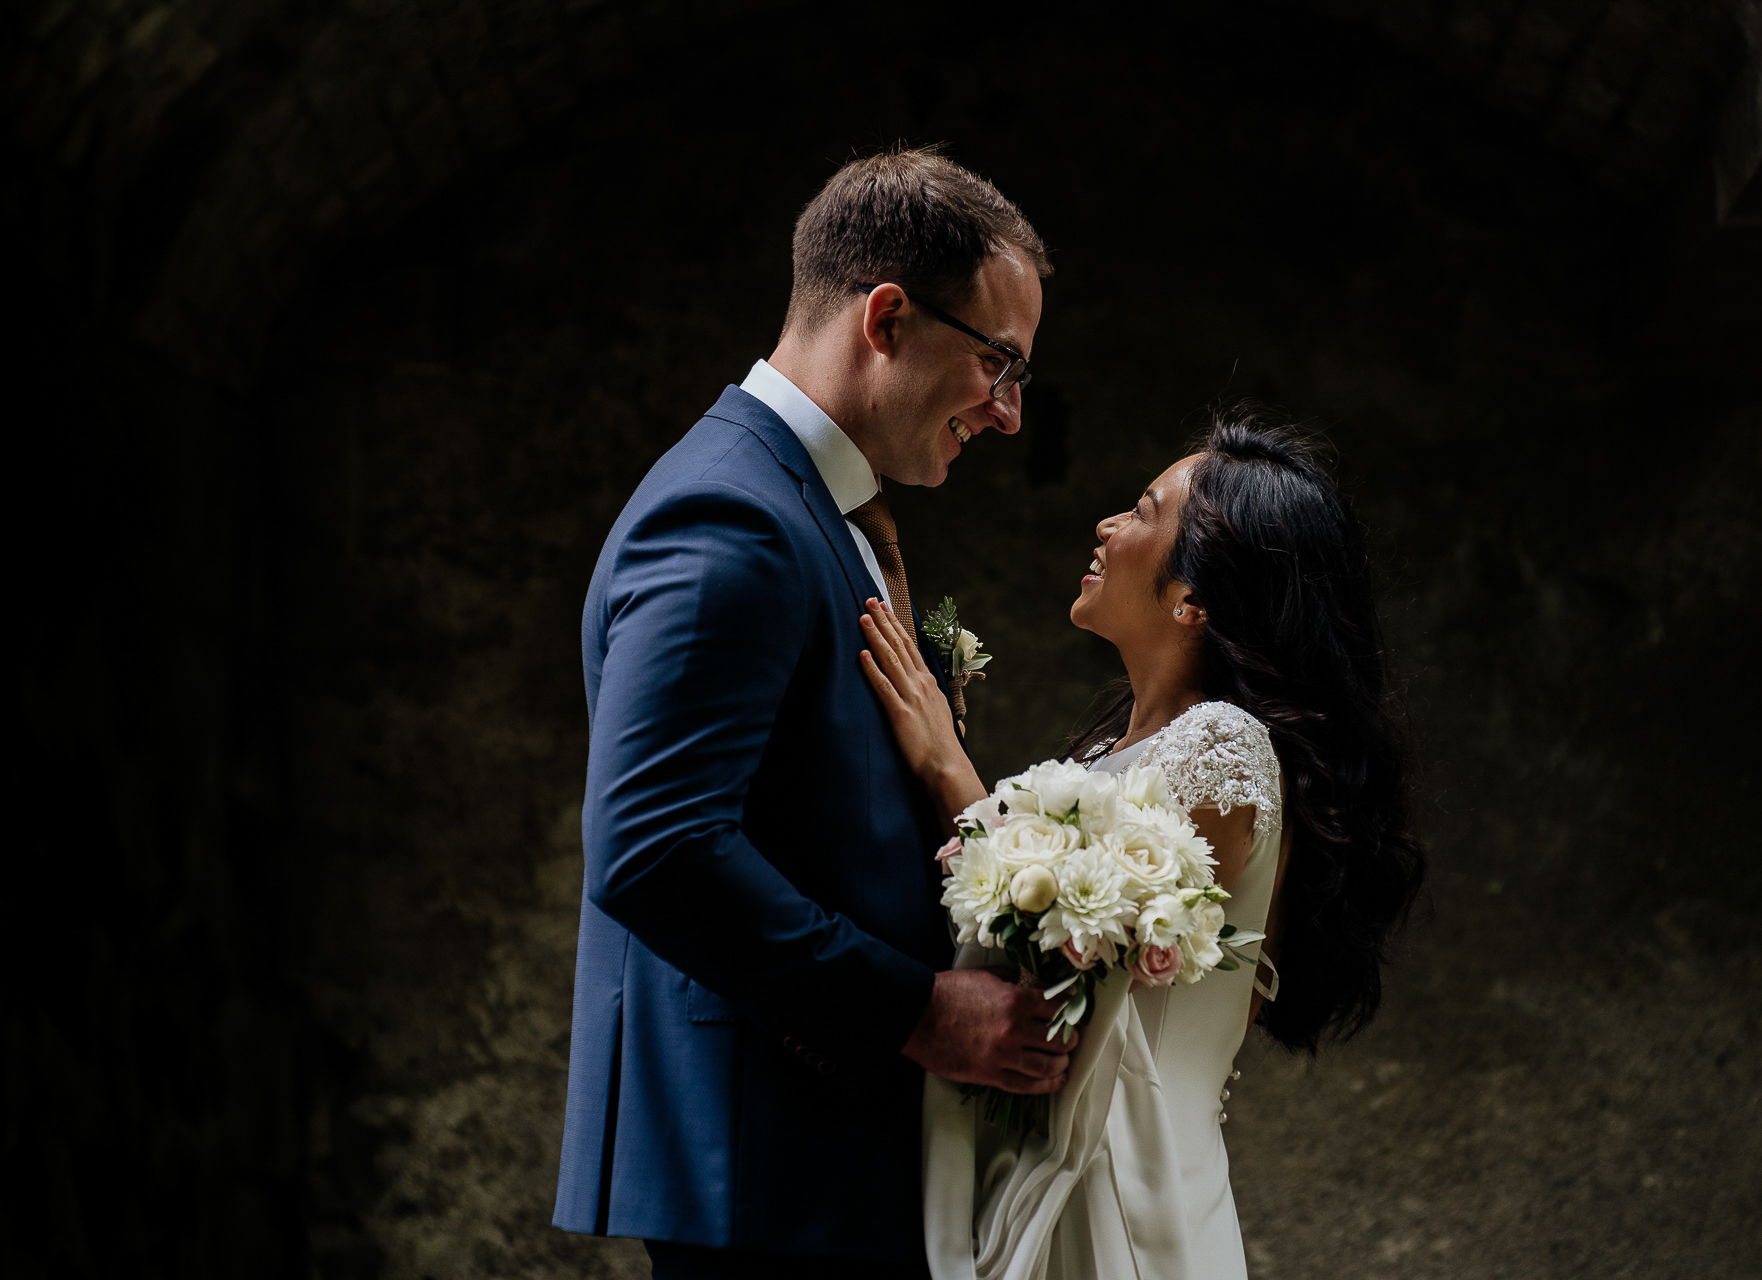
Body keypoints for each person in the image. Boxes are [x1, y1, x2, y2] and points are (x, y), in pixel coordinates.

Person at [552, 147, 1066, 1279]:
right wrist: (918, 1011)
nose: (1010, 412)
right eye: (1001, 362)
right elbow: (653, 844)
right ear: (888, 316)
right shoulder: (726, 514)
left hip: (818, 1152)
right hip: (763, 1163)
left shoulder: (814, 505)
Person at [858, 411, 1428, 1279]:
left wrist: (947, 769)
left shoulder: (1224, 748)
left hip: (1125, 1197)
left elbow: (1070, 950)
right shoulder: (1113, 752)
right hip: (1061, 1165)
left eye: (1141, 510)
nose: (1106, 525)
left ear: (1192, 599)